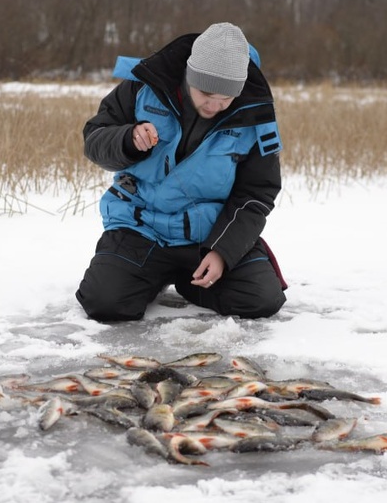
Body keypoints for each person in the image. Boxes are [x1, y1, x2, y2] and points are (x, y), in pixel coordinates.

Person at [75, 22, 287, 322]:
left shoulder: (256, 115)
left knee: (262, 300)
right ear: (190, 75)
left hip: (209, 236)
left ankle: (190, 280)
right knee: (104, 302)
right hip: (141, 227)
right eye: (205, 93)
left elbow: (256, 193)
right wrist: (127, 138)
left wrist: (223, 252)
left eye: (225, 99)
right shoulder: (143, 86)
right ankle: (150, 274)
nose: (214, 104)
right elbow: (94, 139)